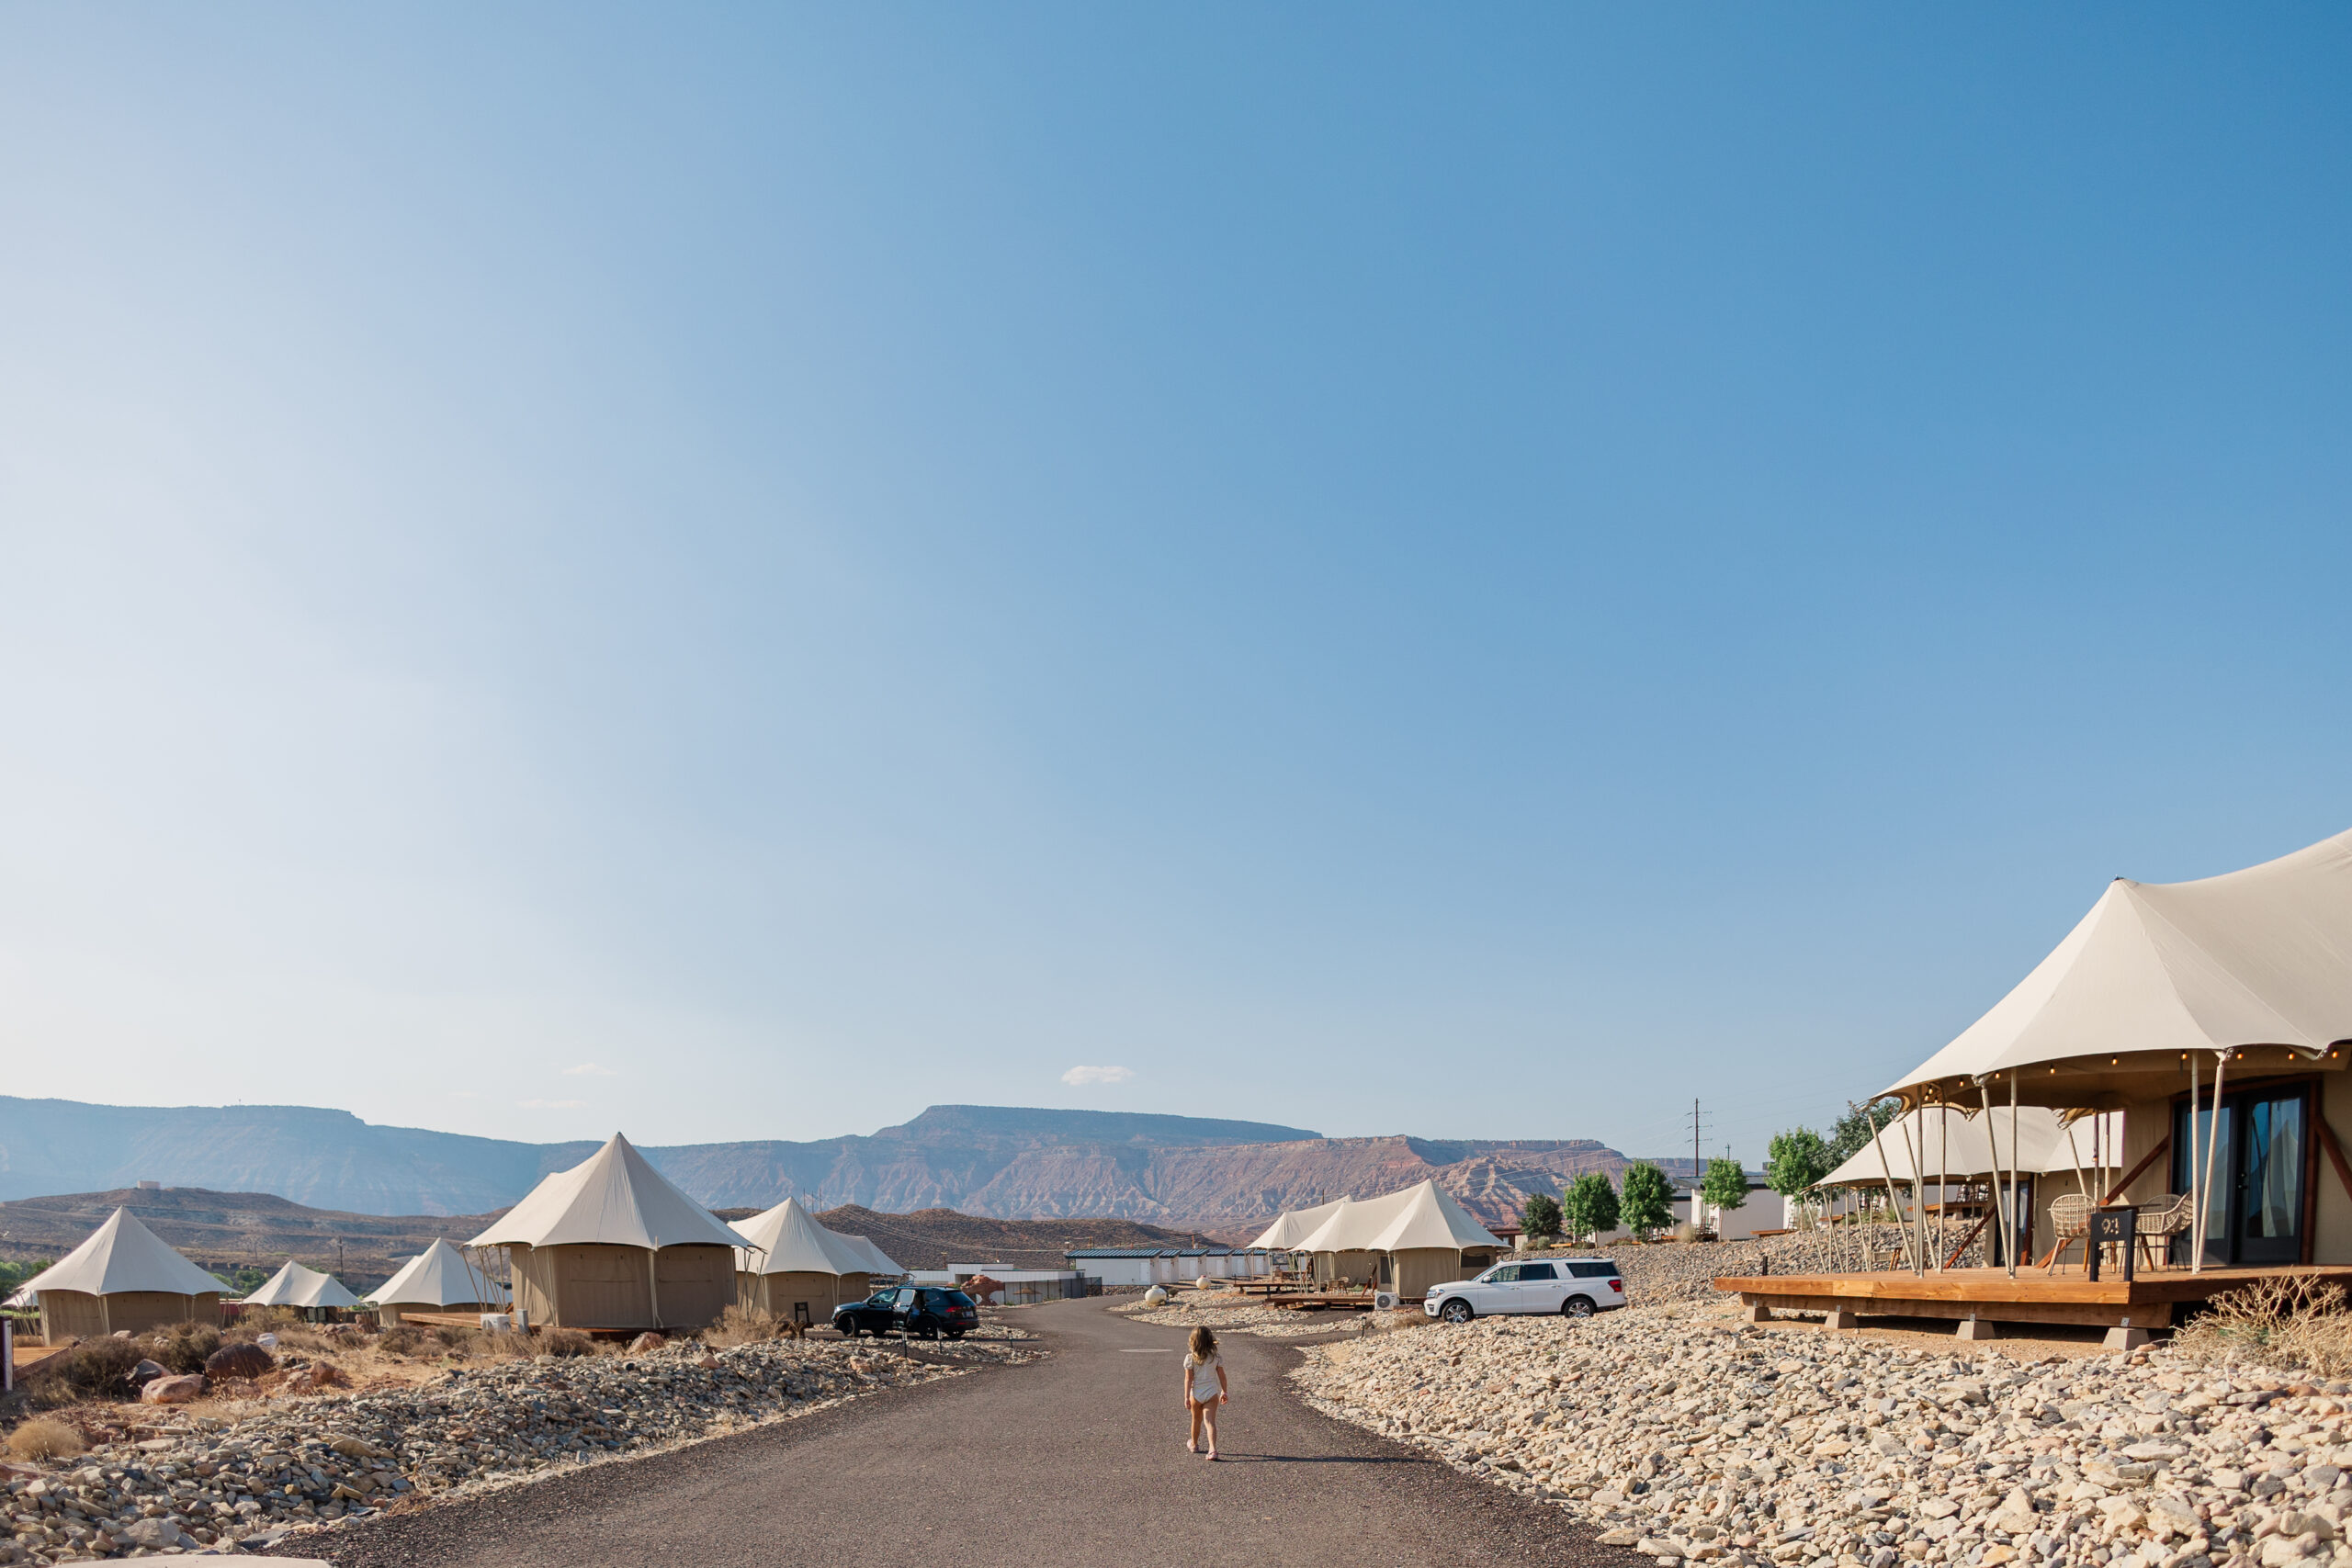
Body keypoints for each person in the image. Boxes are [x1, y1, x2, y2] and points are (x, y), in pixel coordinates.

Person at [1182, 1324, 1227, 1458]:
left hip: (1196, 1394)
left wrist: (1186, 1397)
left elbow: (1188, 1379)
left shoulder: (1190, 1358)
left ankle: (1194, 1444)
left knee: (1196, 1420)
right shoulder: (1215, 1357)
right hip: (1211, 1394)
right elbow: (1222, 1376)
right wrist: (1224, 1391)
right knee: (1210, 1422)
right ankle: (1212, 1449)